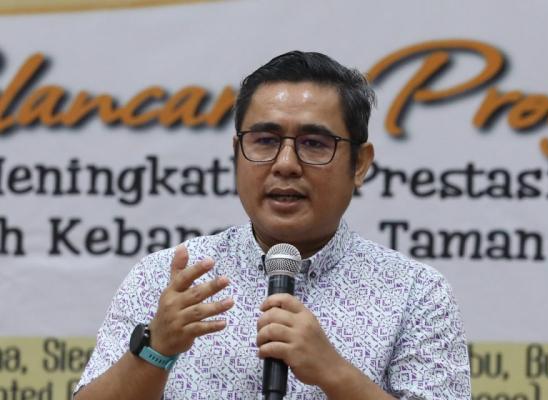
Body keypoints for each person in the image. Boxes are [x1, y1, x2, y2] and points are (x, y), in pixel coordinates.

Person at [74, 51, 471, 399]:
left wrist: (334, 373)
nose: (285, 164)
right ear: (237, 153)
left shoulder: (415, 293)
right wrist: (155, 349)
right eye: (265, 140)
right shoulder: (168, 277)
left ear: (360, 164)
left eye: (314, 144)